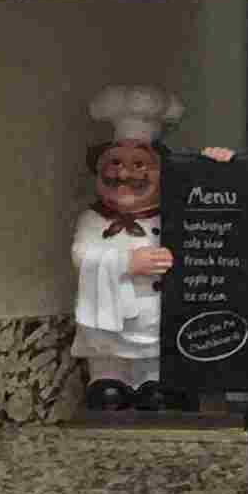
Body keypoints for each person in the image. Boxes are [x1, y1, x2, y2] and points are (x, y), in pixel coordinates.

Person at [73, 85, 182, 409]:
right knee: (108, 367)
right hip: (109, 317)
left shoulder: (176, 216)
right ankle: (110, 379)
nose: (125, 173)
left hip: (154, 316)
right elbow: (81, 255)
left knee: (155, 363)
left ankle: (153, 381)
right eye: (115, 162)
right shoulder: (93, 219)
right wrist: (126, 262)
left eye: (139, 165)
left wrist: (223, 165)